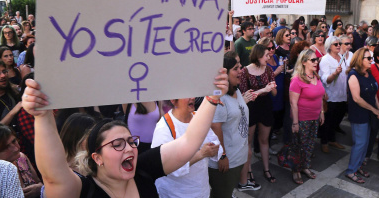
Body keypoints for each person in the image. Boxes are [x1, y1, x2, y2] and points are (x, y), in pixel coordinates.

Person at [20, 69, 229, 198]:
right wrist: (42, 116)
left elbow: (189, 142)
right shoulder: (85, 190)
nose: (129, 147)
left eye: (131, 141)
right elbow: (53, 177)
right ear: (97, 157)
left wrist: (211, 99)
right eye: (117, 144)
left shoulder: (143, 170)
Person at [151, 98, 221, 198]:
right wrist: (201, 154)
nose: (192, 98)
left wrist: (214, 149)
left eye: (192, 94)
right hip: (176, 193)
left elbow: (213, 139)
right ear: (173, 100)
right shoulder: (164, 128)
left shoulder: (198, 117)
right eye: (187, 95)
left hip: (201, 189)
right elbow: (164, 167)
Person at [209, 52, 251, 197]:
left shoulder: (236, 90)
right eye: (236, 68)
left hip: (238, 156)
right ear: (224, 73)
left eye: (240, 67)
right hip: (227, 161)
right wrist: (223, 156)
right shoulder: (219, 97)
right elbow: (215, 127)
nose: (240, 71)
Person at [239, 44, 277, 184]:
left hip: (266, 106)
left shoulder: (268, 70)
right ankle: (248, 170)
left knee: (264, 139)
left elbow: (274, 93)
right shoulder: (245, 71)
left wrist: (272, 88)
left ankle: (266, 169)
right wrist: (263, 89)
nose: (269, 57)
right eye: (266, 55)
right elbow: (245, 95)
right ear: (258, 55)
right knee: (248, 142)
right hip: (251, 108)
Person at [345, 48, 379, 183]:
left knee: (365, 142)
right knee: (360, 143)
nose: (371, 60)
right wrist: (374, 109)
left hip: (370, 112)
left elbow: (374, 93)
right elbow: (357, 98)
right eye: (369, 58)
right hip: (359, 114)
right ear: (360, 60)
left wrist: (378, 108)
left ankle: (358, 166)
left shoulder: (368, 73)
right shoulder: (353, 75)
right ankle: (351, 170)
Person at [289, 49, 325, 184]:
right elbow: (293, 103)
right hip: (302, 119)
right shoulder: (297, 80)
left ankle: (305, 166)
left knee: (310, 144)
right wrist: (295, 123)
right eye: (313, 60)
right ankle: (296, 170)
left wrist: (321, 113)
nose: (316, 62)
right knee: (299, 145)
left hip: (315, 117)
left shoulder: (316, 76)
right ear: (304, 62)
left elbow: (320, 96)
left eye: (317, 59)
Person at [318, 36, 348, 153]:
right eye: (336, 44)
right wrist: (335, 73)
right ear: (329, 46)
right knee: (328, 120)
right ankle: (324, 141)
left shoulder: (341, 57)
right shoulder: (325, 60)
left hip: (342, 94)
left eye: (339, 43)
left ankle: (332, 139)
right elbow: (326, 79)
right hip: (331, 95)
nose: (339, 46)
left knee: (338, 118)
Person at [0, 123, 43, 198]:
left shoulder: (21, 158)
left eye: (14, 141)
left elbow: (38, 182)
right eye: (6, 147)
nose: (16, 148)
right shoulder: (1, 174)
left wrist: (40, 189)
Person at [259, 38, 285, 141]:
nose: (271, 50)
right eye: (268, 48)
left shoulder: (275, 56)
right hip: (270, 95)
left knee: (278, 115)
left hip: (279, 93)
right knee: (270, 117)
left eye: (273, 47)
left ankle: (274, 131)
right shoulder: (262, 61)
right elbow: (263, 80)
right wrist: (277, 71)